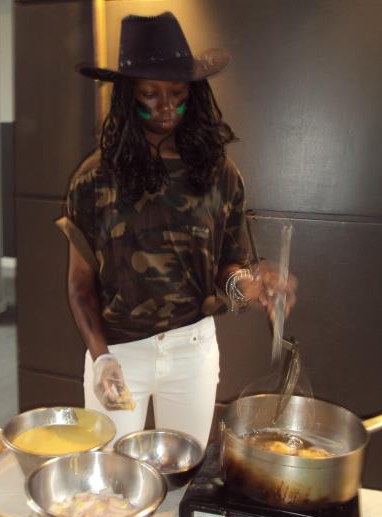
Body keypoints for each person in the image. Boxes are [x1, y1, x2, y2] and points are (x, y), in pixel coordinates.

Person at [57, 12, 296, 447]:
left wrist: (249, 286)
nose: (167, 105)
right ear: (129, 97)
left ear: (195, 94)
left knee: (185, 475)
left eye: (178, 93)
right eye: (150, 94)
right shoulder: (94, 179)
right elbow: (79, 286)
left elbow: (229, 266)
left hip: (191, 351)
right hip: (119, 353)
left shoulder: (219, 174)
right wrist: (101, 358)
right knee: (113, 480)